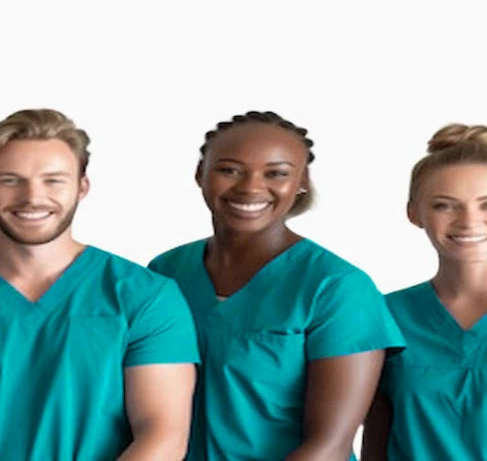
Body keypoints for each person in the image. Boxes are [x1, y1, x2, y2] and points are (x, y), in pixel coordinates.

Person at [0, 108, 200, 460]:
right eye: (10, 180)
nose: (32, 197)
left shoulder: (147, 296)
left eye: (53, 180)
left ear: (82, 186)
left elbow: (161, 436)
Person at [148, 111, 405, 460]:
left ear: (301, 181)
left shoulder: (337, 288)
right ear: (200, 174)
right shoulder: (166, 272)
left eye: (276, 173)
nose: (250, 187)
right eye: (229, 169)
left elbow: (329, 446)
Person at [362, 125, 487, 460]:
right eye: (444, 206)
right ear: (414, 213)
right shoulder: (384, 315)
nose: (469, 221)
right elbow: (375, 439)